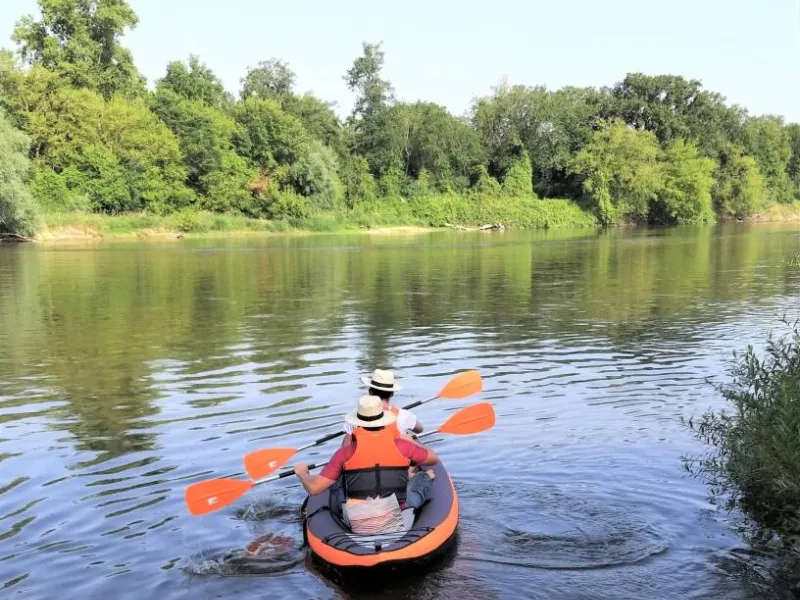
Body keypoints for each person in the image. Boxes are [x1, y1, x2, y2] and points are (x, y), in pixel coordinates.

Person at [295, 395, 438, 533]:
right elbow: (433, 459)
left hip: (358, 525)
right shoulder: (403, 446)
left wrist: (302, 473)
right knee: (423, 476)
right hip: (397, 519)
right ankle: (422, 476)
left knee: (338, 482)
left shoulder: (345, 453)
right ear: (384, 420)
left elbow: (314, 488)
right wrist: (411, 441)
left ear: (358, 422)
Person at [341, 369, 423, 446]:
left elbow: (345, 447)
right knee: (410, 435)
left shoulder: (355, 416)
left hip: (365, 454)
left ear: (370, 391)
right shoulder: (403, 415)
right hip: (393, 454)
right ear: (392, 394)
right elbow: (419, 429)